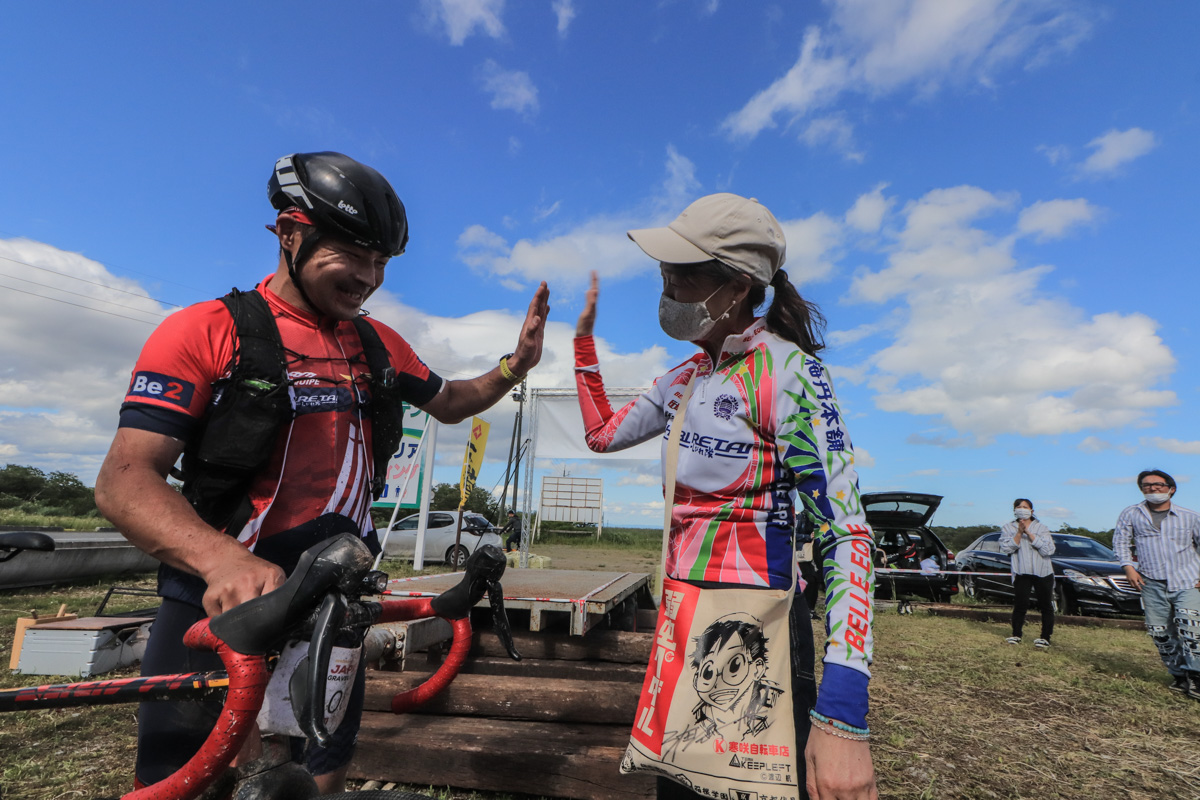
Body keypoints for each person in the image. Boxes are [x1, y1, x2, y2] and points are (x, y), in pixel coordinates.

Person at [95, 151, 550, 793]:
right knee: (193, 782)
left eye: (382, 263)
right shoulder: (205, 330)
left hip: (335, 606)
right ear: (288, 233)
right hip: (221, 600)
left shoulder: (377, 342)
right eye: (352, 254)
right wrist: (220, 558)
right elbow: (123, 480)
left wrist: (516, 366)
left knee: (319, 778)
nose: (368, 277)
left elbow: (451, 402)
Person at [573, 193, 877, 800]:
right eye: (664, 269)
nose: (664, 283)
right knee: (680, 791)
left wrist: (844, 715)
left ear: (737, 288)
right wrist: (583, 348)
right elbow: (602, 436)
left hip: (758, 628)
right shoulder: (684, 377)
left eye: (681, 270)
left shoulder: (789, 374)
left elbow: (846, 534)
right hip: (681, 625)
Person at [1112, 470, 1200, 701]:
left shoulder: (1189, 516)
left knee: (1192, 630)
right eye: (1146, 485)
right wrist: (1128, 567)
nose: (1152, 489)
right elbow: (1120, 542)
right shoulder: (1131, 514)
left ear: (1171, 488)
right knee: (1160, 632)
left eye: (1158, 485)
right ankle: (1179, 675)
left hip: (1187, 582)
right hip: (1151, 583)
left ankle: (1197, 678)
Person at [998, 499, 1056, 649]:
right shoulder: (1008, 527)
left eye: (1025, 507)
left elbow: (1048, 550)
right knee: (1020, 604)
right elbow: (1006, 548)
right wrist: (1019, 532)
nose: (1022, 509)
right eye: (1019, 507)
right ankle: (1016, 634)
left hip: (1042, 571)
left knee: (1045, 605)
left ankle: (1045, 637)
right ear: (1014, 510)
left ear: (1032, 511)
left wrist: (1029, 533)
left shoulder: (1042, 528)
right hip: (1021, 571)